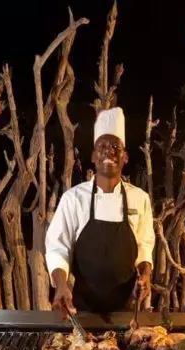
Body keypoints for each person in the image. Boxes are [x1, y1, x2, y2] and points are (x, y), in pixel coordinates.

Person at [45, 107, 155, 317]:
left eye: (115, 146)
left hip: (127, 310)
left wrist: (145, 274)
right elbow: (58, 248)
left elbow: (144, 245)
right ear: (94, 157)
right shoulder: (73, 198)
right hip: (81, 308)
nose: (108, 151)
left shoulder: (140, 198)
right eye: (102, 146)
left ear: (125, 157)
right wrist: (61, 285)